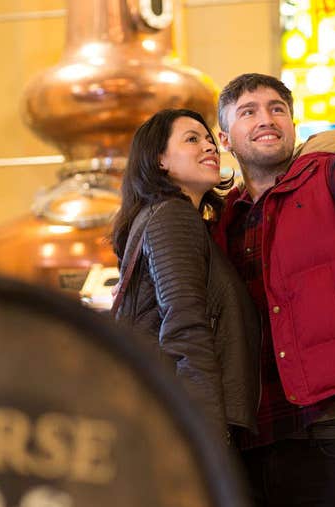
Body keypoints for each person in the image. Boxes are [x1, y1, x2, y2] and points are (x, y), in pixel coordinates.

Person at [209, 4, 335, 505]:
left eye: (277, 109)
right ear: (224, 138)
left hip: (330, 422)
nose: (266, 120)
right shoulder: (220, 221)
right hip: (248, 435)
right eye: (249, 112)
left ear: (293, 124)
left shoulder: (332, 182)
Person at [111, 109, 260, 443]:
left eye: (209, 139)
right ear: (159, 160)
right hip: (179, 424)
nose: (209, 146)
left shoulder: (163, 216)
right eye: (192, 139)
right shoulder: (172, 216)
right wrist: (207, 435)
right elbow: (185, 326)